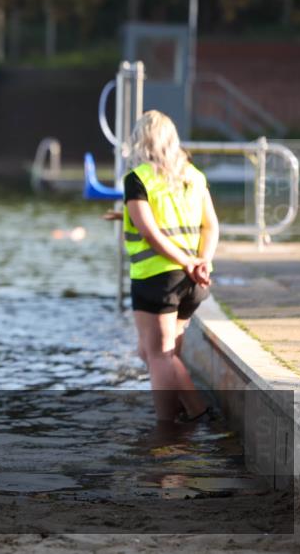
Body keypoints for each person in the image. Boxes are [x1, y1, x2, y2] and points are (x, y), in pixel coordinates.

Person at [123, 110, 219, 423]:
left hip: (157, 278)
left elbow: (150, 233)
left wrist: (189, 261)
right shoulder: (194, 175)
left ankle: (170, 427)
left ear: (141, 141)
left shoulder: (138, 178)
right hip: (192, 282)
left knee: (158, 355)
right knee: (158, 352)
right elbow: (210, 227)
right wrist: (202, 261)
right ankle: (193, 413)